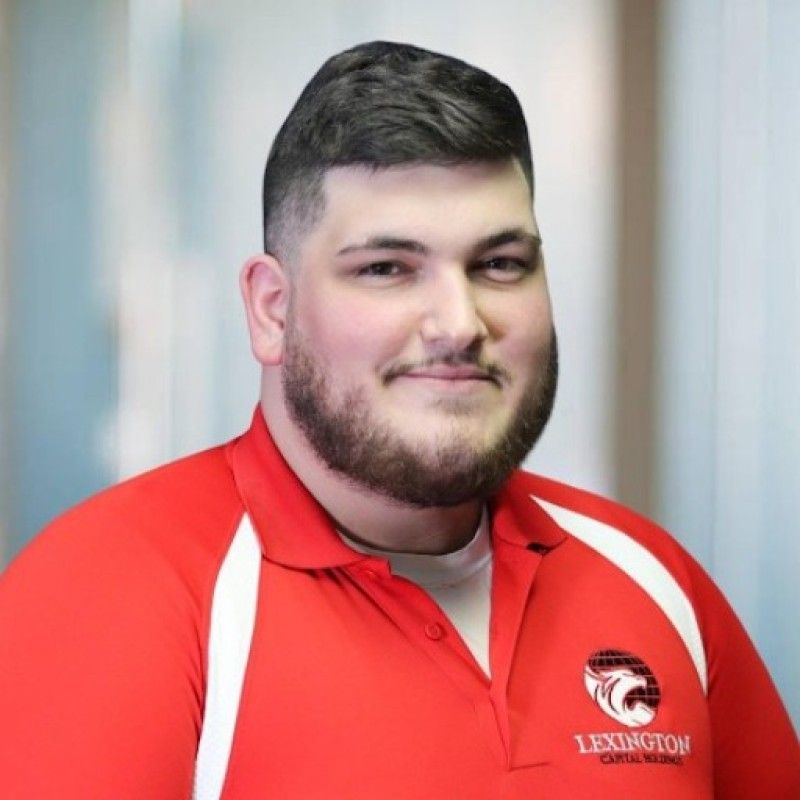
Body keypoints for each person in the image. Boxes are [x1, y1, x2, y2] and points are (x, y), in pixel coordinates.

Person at [0, 41, 796, 800]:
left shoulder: (654, 582)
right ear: (272, 310)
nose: (459, 322)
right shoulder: (107, 597)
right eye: (387, 269)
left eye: (500, 264)